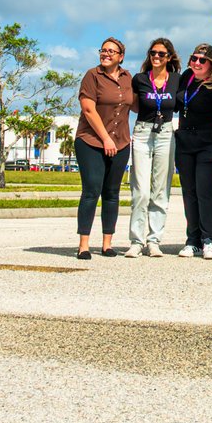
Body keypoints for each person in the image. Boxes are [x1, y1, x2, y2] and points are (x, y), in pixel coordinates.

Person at [74, 37, 134, 260]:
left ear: (121, 56)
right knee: (91, 191)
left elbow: (136, 103)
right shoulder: (92, 75)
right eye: (103, 50)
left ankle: (107, 244)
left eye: (111, 51)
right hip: (91, 142)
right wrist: (106, 139)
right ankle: (84, 245)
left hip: (121, 143)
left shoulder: (128, 78)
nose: (106, 54)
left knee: (112, 193)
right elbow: (88, 110)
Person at [175, 43, 212, 260]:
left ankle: (209, 241)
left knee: (206, 193)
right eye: (194, 58)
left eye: (202, 60)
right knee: (189, 193)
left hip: (209, 144)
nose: (196, 63)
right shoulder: (186, 77)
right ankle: (193, 240)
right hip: (185, 143)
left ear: (211, 64)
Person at [125, 38, 181, 258]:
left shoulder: (176, 79)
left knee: (160, 190)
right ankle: (136, 241)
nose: (156, 57)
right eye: (153, 53)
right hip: (142, 132)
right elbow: (132, 104)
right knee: (140, 190)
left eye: (161, 54)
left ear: (169, 57)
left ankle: (154, 240)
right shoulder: (139, 79)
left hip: (166, 132)